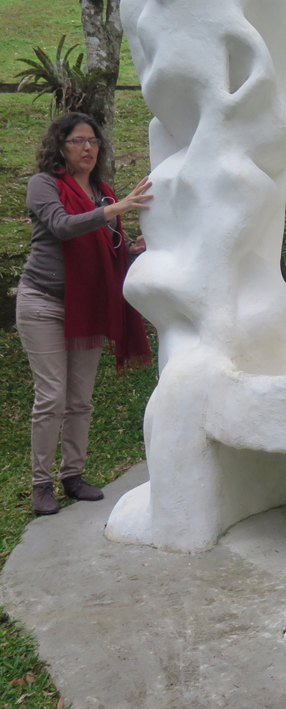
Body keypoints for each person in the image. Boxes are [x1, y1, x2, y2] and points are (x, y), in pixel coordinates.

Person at [16, 112, 154, 516]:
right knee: (52, 397)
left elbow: (105, 253)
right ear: (60, 146)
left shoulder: (103, 193)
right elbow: (62, 226)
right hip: (43, 304)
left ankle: (72, 476)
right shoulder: (44, 185)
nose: (88, 147)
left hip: (88, 304)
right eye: (77, 141)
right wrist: (119, 208)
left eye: (92, 140)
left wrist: (131, 250)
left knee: (80, 400)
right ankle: (41, 484)